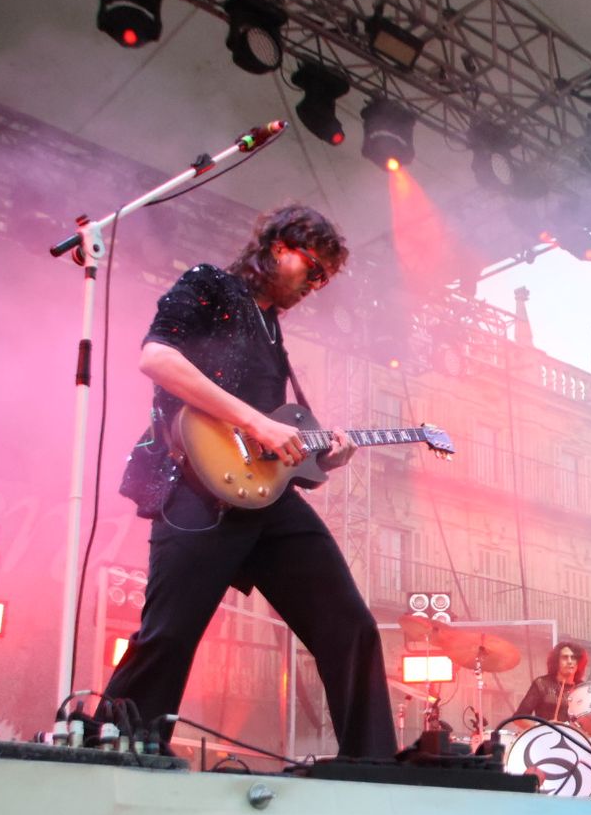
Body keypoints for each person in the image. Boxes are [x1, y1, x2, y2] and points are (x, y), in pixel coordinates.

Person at [102, 204, 396, 760]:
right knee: (168, 635)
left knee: (350, 626)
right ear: (279, 246)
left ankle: (372, 767)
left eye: (325, 278)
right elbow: (158, 358)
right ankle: (111, 754)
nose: (316, 284)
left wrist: (323, 456)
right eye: (313, 267)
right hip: (195, 486)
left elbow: (275, 439)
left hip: (265, 498)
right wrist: (255, 421)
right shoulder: (208, 282)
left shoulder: (272, 328)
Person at [513, 641, 589, 724]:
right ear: (556, 661)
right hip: (544, 735)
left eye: (573, 658)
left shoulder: (583, 689)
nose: (570, 661)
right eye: (565, 657)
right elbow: (519, 718)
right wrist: (545, 728)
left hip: (572, 736)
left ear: (579, 662)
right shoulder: (542, 684)